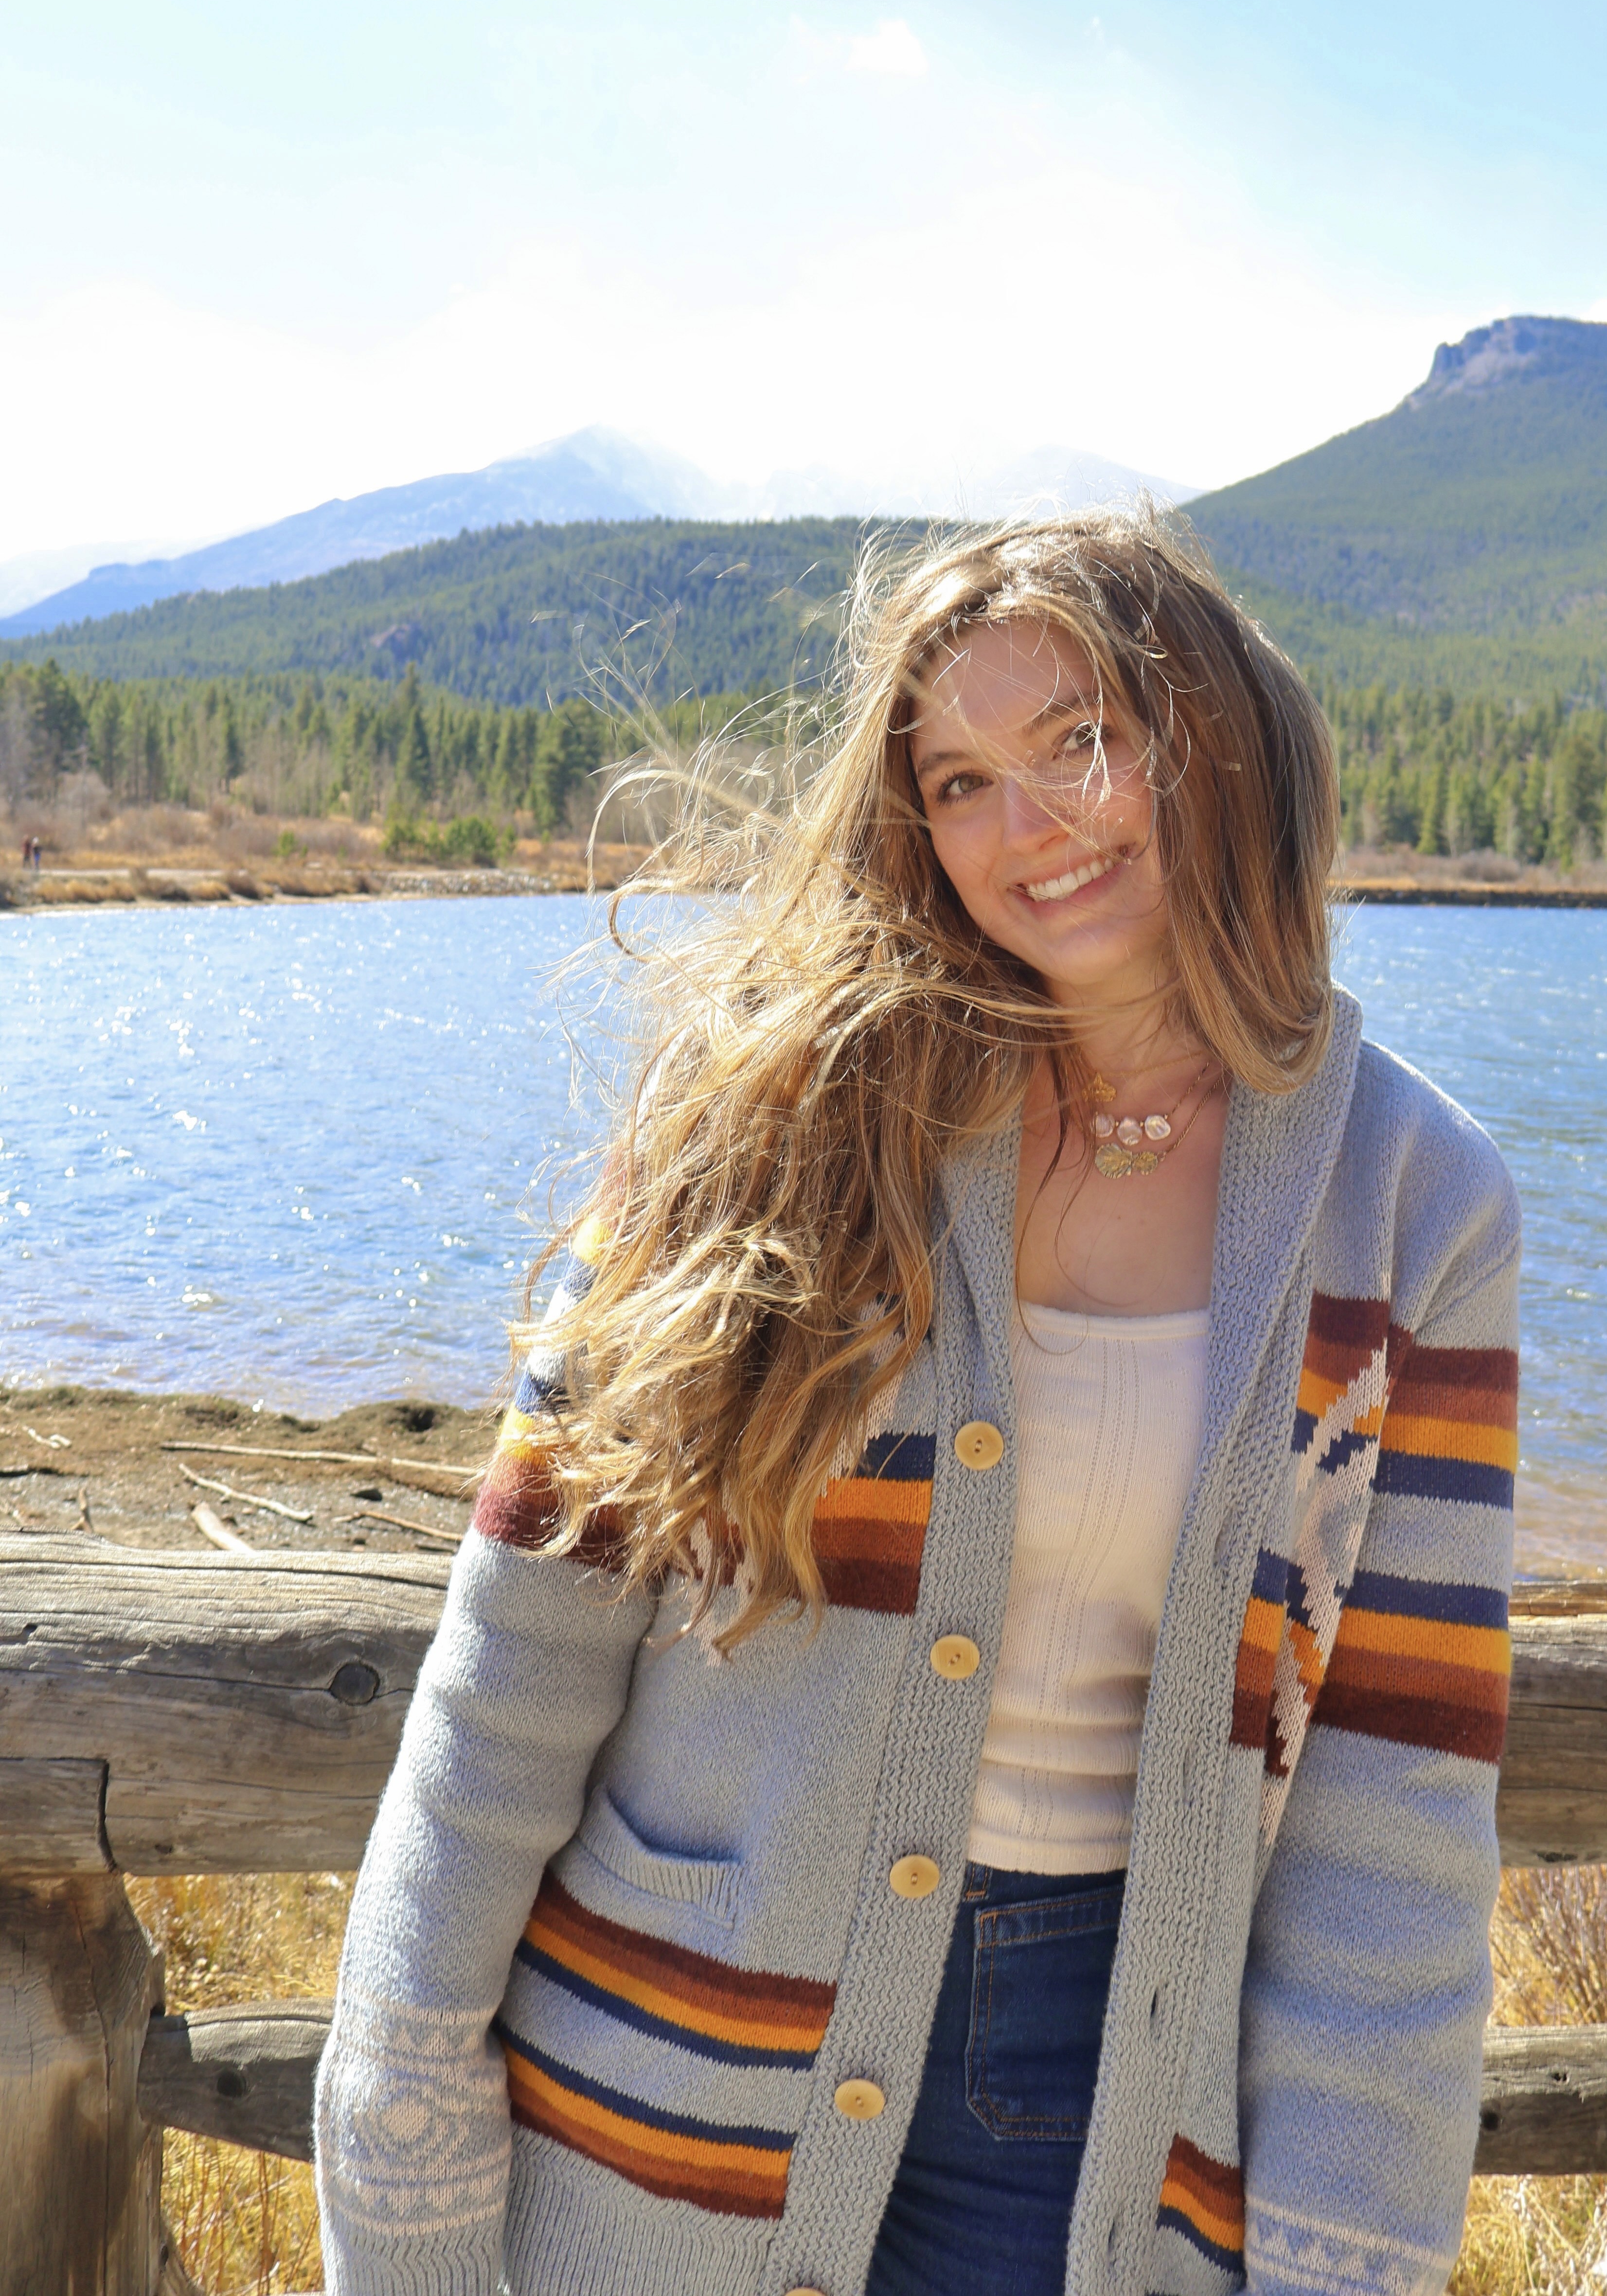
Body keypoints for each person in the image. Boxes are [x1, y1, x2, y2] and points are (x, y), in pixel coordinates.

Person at [316, 510, 1519, 2296]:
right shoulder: (773, 1122)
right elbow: (516, 1668)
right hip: (653, 2090)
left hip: (1100, 2118)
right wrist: (401, 2141)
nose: (1024, 831)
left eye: (1081, 744)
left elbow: (1393, 1825)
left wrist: (1352, 2265)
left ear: (1219, 738)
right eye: (958, 781)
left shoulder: (1415, 1204)